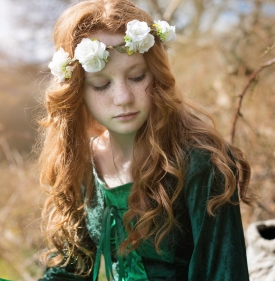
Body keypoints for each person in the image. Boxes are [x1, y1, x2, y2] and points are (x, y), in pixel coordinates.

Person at [37, 0, 253, 280]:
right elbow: (71, 272)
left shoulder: (201, 160)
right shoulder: (82, 163)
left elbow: (223, 273)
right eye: (102, 84)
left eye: (137, 77)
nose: (124, 98)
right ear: (78, 92)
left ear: (156, 75)